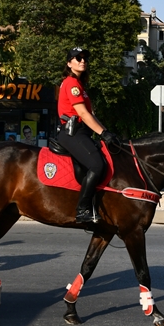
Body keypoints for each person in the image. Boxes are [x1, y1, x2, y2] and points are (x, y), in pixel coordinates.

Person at [54, 47, 121, 223]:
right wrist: (103, 133)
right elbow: (83, 114)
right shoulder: (71, 84)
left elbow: (91, 115)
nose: (82, 61)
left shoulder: (79, 85)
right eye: (77, 58)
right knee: (97, 165)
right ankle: (82, 210)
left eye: (84, 58)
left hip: (81, 132)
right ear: (69, 63)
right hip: (72, 133)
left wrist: (107, 133)